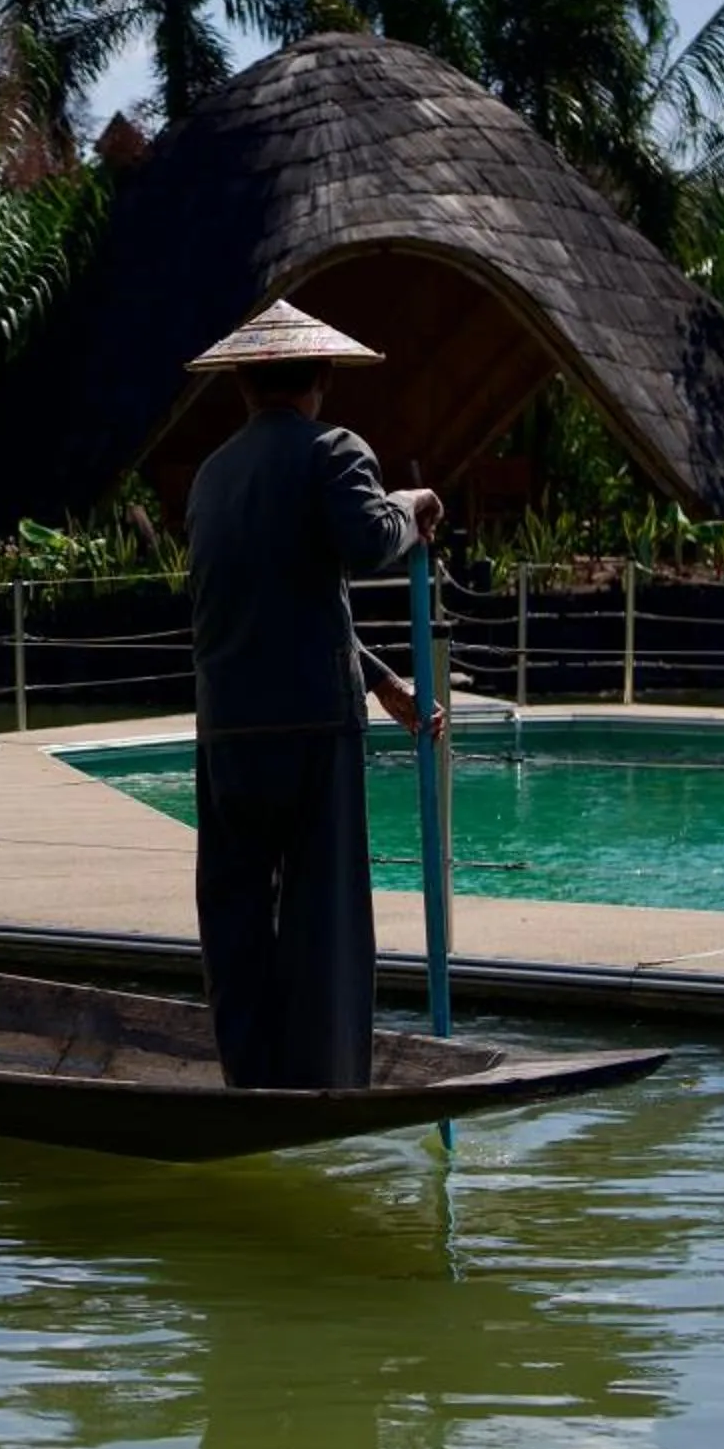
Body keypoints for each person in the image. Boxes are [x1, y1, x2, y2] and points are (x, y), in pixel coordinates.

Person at [184, 337, 444, 1090]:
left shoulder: (210, 477)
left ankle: (251, 1082)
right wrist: (410, 506)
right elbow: (368, 542)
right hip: (309, 731)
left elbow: (266, 607)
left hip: (229, 732)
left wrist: (378, 677)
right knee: (322, 919)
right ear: (322, 379)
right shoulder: (334, 450)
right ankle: (323, 1086)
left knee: (234, 920)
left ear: (241, 384)